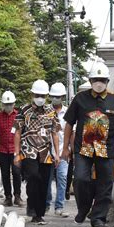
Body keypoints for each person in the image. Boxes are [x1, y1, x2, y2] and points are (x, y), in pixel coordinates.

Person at [62, 62, 114, 227]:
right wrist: (65, 148)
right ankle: (84, 208)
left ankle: (98, 218)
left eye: (102, 80)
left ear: (107, 81)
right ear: (90, 80)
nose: (98, 83)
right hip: (83, 148)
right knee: (80, 179)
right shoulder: (80, 98)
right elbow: (69, 123)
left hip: (107, 149)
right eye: (95, 79)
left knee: (105, 184)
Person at [13, 79, 61, 225]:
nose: (40, 98)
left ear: (46, 96)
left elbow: (54, 133)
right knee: (33, 178)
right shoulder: (24, 110)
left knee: (44, 183)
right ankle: (32, 207)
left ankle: (38, 214)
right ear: (32, 94)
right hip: (28, 151)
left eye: (43, 95)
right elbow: (17, 132)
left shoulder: (51, 112)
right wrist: (16, 154)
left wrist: (57, 154)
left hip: (46, 153)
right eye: (37, 95)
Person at [0, 91, 23, 207]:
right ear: (3, 105)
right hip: (3, 150)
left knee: (17, 173)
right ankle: (8, 197)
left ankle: (17, 196)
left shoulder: (18, 116)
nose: (8, 106)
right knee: (5, 174)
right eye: (6, 104)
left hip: (16, 150)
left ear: (14, 104)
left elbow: (24, 132)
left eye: (10, 104)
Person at [45, 82, 70, 217]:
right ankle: (46, 203)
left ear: (63, 97)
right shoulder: (45, 111)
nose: (56, 99)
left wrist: (68, 150)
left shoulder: (68, 112)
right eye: (53, 96)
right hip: (47, 151)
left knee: (62, 177)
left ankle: (59, 206)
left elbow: (70, 131)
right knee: (47, 179)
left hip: (62, 150)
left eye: (58, 96)